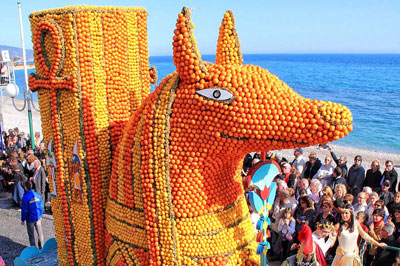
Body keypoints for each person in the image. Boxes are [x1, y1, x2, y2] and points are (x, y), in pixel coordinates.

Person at [21, 181, 44, 249]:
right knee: (40, 233)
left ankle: (33, 249)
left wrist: (23, 219)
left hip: (30, 218)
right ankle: (41, 246)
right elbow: (41, 206)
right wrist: (40, 215)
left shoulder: (25, 197)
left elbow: (24, 210)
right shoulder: (37, 194)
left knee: (31, 234)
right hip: (38, 217)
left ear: (25, 187)